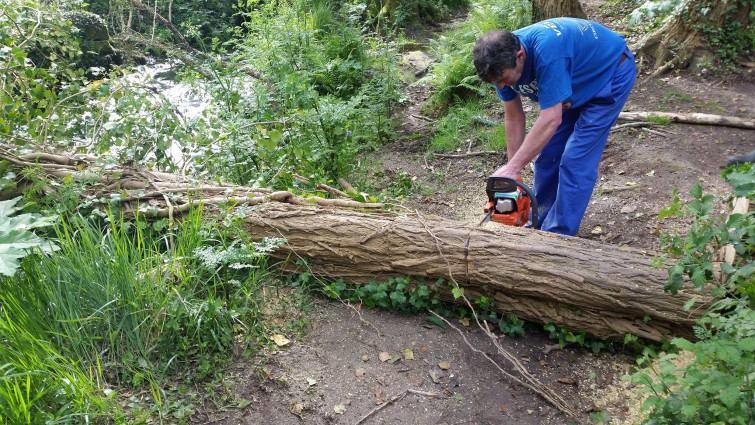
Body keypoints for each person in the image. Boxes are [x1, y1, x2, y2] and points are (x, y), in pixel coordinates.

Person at [473, 18, 636, 236]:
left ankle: (558, 236)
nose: (501, 86)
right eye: (496, 82)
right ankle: (539, 218)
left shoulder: (547, 51)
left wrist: (512, 168)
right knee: (549, 155)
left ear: (519, 56)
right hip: (571, 82)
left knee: (575, 159)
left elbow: (552, 118)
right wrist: (514, 169)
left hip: (609, 74)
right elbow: (513, 117)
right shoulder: (500, 61)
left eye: (502, 79)